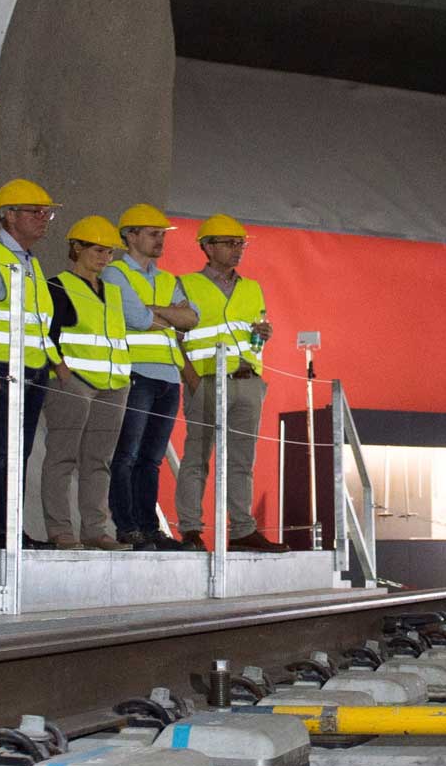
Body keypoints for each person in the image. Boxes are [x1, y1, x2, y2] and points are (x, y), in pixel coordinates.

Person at [177, 215, 283, 550]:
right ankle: (191, 530)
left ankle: (242, 530)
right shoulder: (186, 284)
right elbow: (174, 335)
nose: (238, 249)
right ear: (207, 246)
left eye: (241, 243)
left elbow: (251, 333)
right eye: (229, 243)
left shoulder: (252, 287)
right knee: (197, 457)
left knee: (242, 460)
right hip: (207, 380)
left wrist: (262, 336)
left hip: (247, 380)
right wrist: (191, 378)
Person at [0, 177, 58, 547]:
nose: (43, 219)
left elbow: (38, 322)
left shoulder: (30, 263)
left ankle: (8, 529)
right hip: (3, 370)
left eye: (46, 214)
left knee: (16, 454)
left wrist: (52, 365)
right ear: (8, 216)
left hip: (31, 372)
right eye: (35, 212)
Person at [105, 203, 199, 550]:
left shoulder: (167, 278)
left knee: (151, 459)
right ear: (131, 235)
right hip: (135, 373)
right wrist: (168, 315)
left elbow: (190, 319)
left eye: (162, 234)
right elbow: (135, 318)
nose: (160, 240)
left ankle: (149, 527)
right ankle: (127, 527)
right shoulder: (115, 273)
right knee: (127, 455)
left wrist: (155, 311)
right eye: (153, 234)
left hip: (167, 377)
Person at [42, 216, 134, 549]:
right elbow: (43, 331)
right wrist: (60, 368)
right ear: (76, 248)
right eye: (98, 250)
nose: (105, 258)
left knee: (99, 461)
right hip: (73, 383)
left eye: (109, 252)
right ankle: (60, 530)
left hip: (113, 385)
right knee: (62, 457)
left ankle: (95, 530)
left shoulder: (113, 291)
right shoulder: (57, 285)